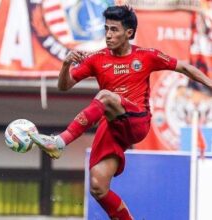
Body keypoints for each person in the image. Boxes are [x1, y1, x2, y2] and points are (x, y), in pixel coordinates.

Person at [29, 5, 212, 220]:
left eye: (114, 30)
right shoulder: (96, 59)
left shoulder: (146, 56)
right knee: (98, 186)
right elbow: (64, 86)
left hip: (137, 122)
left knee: (105, 96)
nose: (108, 35)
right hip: (113, 126)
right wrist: (66, 64)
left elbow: (185, 67)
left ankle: (59, 142)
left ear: (129, 33)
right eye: (106, 29)